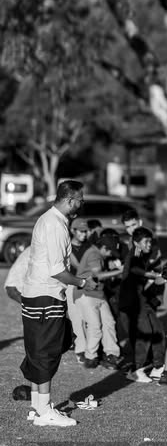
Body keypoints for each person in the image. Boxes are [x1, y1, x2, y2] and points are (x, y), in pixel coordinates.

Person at [20, 180, 98, 427]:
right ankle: (44, 412)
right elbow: (57, 270)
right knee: (46, 354)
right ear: (69, 199)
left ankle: (37, 406)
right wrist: (83, 283)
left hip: (35, 294)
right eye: (80, 200)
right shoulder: (55, 224)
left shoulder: (48, 220)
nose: (81, 204)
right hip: (46, 295)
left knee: (38, 352)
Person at [118, 227, 166, 383]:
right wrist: (153, 275)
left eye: (150, 241)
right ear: (136, 243)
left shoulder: (143, 257)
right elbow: (134, 268)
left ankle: (158, 367)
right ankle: (136, 370)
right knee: (144, 333)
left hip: (142, 300)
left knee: (158, 330)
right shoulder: (134, 255)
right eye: (146, 241)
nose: (149, 244)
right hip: (132, 303)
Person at [75, 234, 122, 370]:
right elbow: (98, 275)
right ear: (103, 247)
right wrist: (118, 271)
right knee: (95, 326)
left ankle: (111, 354)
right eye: (109, 251)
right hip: (86, 294)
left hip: (98, 294)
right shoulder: (94, 254)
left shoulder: (99, 254)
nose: (110, 254)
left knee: (109, 322)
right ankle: (90, 357)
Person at [67, 217, 90, 363]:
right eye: (81, 231)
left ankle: (91, 349)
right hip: (72, 284)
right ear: (72, 230)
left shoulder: (89, 246)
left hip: (88, 285)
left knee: (89, 318)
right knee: (76, 319)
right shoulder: (66, 246)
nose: (84, 234)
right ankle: (80, 349)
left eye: (86, 231)